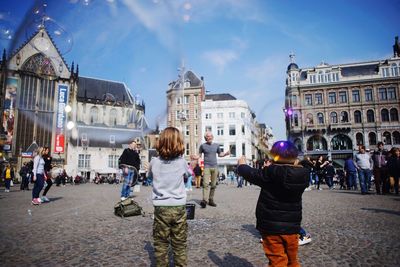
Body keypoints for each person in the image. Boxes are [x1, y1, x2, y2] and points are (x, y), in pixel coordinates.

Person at [238, 140, 309, 266]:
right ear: (295, 158)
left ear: (273, 158)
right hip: (293, 228)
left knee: (277, 260)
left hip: (271, 228)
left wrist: (242, 165)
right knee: (292, 260)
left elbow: (251, 174)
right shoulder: (303, 175)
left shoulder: (270, 173)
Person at [147, 127, 188, 267]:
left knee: (161, 243)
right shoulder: (182, 162)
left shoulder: (154, 162)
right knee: (180, 244)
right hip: (178, 207)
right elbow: (187, 176)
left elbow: (149, 177)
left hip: (161, 208)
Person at [191, 132, 229, 208]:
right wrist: (195, 157)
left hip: (215, 167)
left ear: (212, 137)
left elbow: (220, 154)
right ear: (206, 138)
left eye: (211, 136)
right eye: (208, 136)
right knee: (205, 184)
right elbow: (199, 155)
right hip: (206, 167)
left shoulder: (216, 145)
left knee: (214, 185)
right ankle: (204, 200)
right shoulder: (203, 146)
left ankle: (211, 200)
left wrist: (225, 154)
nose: (209, 137)